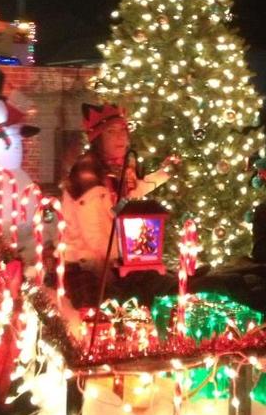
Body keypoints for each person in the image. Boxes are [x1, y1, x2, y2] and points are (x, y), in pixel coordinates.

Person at [61, 103, 178, 306]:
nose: (121, 137)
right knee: (153, 292)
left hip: (118, 264)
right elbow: (97, 240)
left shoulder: (117, 169)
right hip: (88, 270)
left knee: (164, 285)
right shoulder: (87, 175)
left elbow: (131, 195)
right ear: (98, 139)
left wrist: (164, 173)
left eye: (123, 130)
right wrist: (133, 260)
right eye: (111, 132)